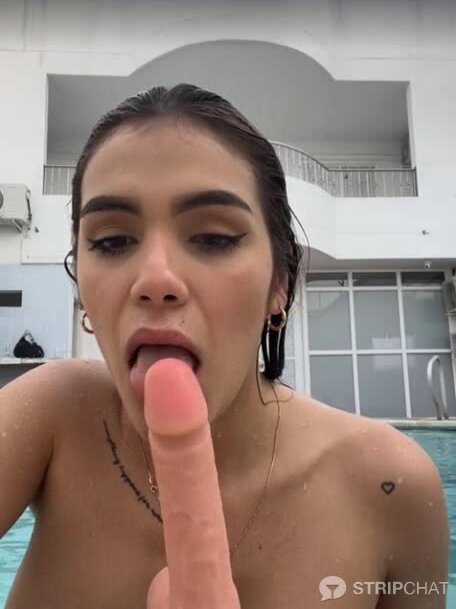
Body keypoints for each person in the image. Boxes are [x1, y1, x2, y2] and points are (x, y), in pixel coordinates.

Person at [0, 83, 449, 608]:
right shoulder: (52, 416)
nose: (156, 279)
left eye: (213, 238)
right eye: (112, 241)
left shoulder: (390, 486)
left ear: (279, 282)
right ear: (80, 284)